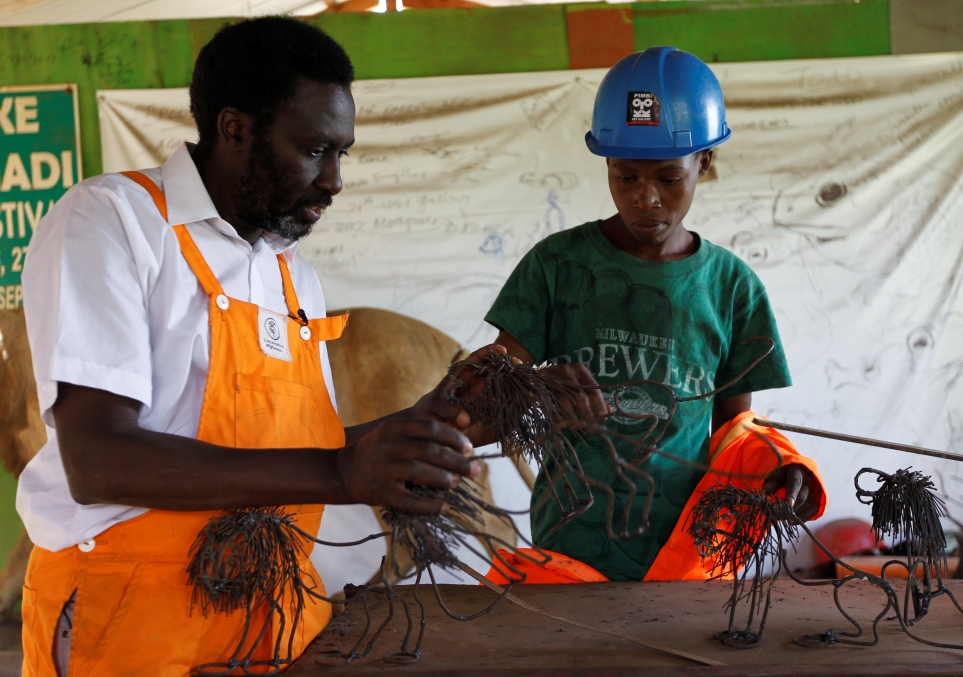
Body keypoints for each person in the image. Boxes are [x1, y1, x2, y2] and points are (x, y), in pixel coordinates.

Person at [14, 17, 569, 677]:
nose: (334, 180)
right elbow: (99, 460)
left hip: (272, 614)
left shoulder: (287, 270)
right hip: (135, 619)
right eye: (314, 149)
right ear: (234, 128)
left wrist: (436, 425)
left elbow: (306, 451)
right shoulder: (113, 222)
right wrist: (341, 473)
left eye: (342, 153)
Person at [483, 47, 827, 584]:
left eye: (669, 178)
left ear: (703, 163)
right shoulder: (557, 266)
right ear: (607, 165)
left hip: (688, 555)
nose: (646, 200)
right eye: (626, 178)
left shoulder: (732, 287)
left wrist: (779, 466)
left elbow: (734, 433)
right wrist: (534, 387)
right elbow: (489, 395)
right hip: (570, 548)